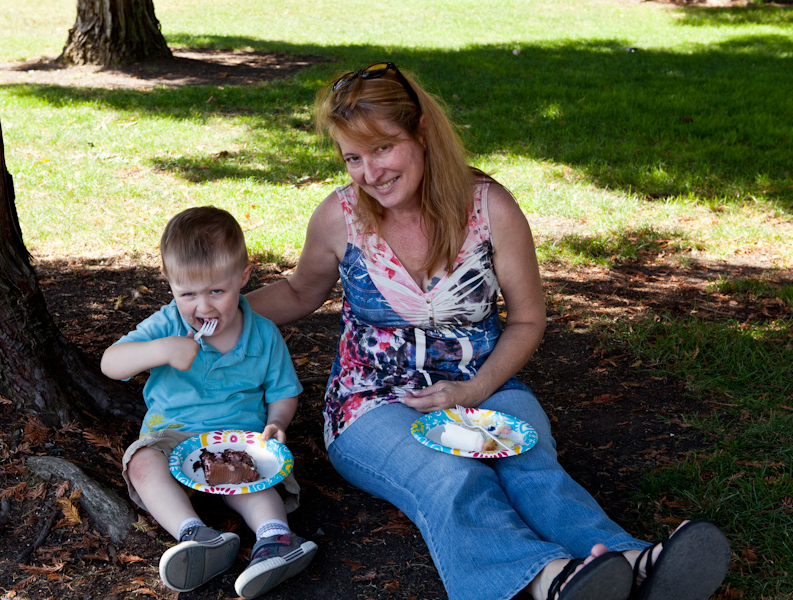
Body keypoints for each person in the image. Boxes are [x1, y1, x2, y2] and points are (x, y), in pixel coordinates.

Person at [246, 62, 731, 600]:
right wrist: (205, 312)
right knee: (452, 479)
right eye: (352, 158)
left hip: (486, 385)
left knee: (529, 466)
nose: (369, 173)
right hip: (373, 403)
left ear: (422, 133)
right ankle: (546, 580)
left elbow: (527, 318)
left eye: (383, 148)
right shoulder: (339, 217)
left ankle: (635, 562)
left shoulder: (488, 207)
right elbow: (297, 294)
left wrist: (474, 389)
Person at [101, 206, 317, 599]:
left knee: (256, 479)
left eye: (217, 291)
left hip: (236, 441)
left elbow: (284, 391)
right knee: (141, 462)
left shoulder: (263, 334)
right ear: (169, 284)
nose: (203, 307)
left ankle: (276, 540)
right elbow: (111, 364)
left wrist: (277, 424)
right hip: (172, 437)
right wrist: (161, 350)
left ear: (243, 276)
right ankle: (196, 536)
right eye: (188, 294)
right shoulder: (167, 324)